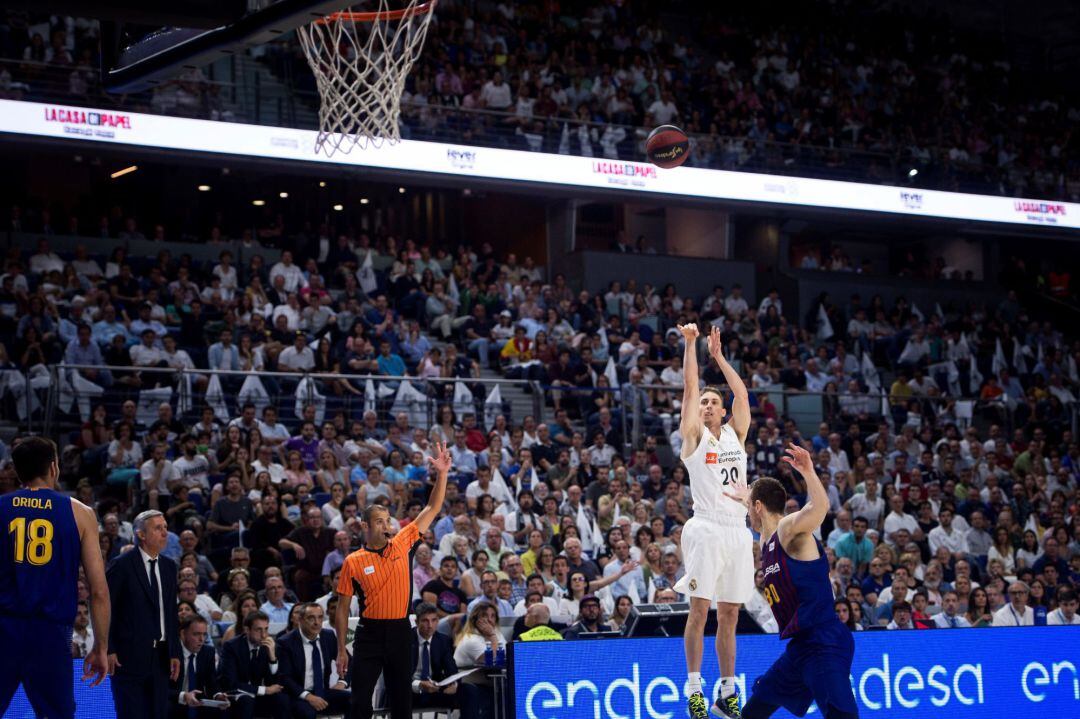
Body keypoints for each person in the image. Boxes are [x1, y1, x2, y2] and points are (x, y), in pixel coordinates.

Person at [724, 443, 858, 719]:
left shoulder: (787, 529)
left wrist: (808, 471)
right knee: (755, 710)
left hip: (823, 641)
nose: (747, 512)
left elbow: (820, 507)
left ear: (758, 507)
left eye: (749, 507)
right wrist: (745, 495)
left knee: (842, 716)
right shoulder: (765, 538)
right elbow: (760, 502)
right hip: (799, 647)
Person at [335, 441, 452, 719]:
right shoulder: (353, 561)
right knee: (359, 700)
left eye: (388, 520)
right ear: (365, 526)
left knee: (402, 701)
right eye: (379, 521)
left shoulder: (403, 542)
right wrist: (341, 649)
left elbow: (433, 508)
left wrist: (442, 474)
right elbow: (342, 608)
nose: (387, 525)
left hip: (400, 631)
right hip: (369, 634)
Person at [673, 324, 753, 719]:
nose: (705, 405)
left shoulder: (737, 434)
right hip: (705, 526)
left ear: (722, 411)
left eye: (711, 402)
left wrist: (719, 358)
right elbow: (688, 388)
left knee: (730, 614)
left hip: (738, 530)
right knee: (699, 611)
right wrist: (691, 345)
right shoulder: (693, 437)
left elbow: (742, 393)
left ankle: (727, 691)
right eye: (702, 402)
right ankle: (693, 690)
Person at [0, 437, 110, 718]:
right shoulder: (81, 513)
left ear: (16, 470)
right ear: (54, 467)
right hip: (50, 634)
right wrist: (100, 646)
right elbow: (98, 590)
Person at [107, 509, 182, 719]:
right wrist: (109, 648)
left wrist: (174, 650)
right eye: (158, 528)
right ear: (141, 534)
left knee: (158, 713)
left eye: (166, 527)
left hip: (161, 658)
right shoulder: (121, 565)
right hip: (127, 657)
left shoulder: (169, 567)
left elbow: (170, 612)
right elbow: (106, 608)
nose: (165, 532)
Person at [277, 602, 351, 718]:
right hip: (299, 695)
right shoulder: (286, 642)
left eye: (320, 617)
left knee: (355, 700)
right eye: (311, 618)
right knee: (307, 712)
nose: (317, 623)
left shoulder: (328, 636)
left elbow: (348, 660)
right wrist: (308, 697)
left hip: (323, 693)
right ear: (300, 620)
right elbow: (285, 678)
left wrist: (342, 682)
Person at [219, 610, 288, 718]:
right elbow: (231, 683)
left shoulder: (271, 647)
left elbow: (276, 684)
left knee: (282, 699)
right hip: (237, 695)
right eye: (258, 630)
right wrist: (264, 690)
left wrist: (272, 658)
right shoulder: (231, 647)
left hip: (259, 696)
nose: (264, 635)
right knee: (247, 701)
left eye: (266, 629)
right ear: (247, 630)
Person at [170, 614, 229, 718]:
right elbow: (161, 688)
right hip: (174, 700)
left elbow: (211, 683)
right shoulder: (171, 653)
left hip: (197, 702)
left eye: (204, 634)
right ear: (183, 634)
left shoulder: (208, 652)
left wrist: (218, 696)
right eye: (196, 634)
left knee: (222, 709)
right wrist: (183, 696)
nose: (202, 639)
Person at [411, 602, 460, 710]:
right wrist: (419, 684)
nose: (430, 625)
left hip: (434, 689)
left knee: (469, 691)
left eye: (434, 620)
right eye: (425, 620)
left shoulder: (443, 640)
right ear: (416, 622)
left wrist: (453, 685)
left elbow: (452, 670)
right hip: (410, 690)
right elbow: (398, 675)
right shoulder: (405, 641)